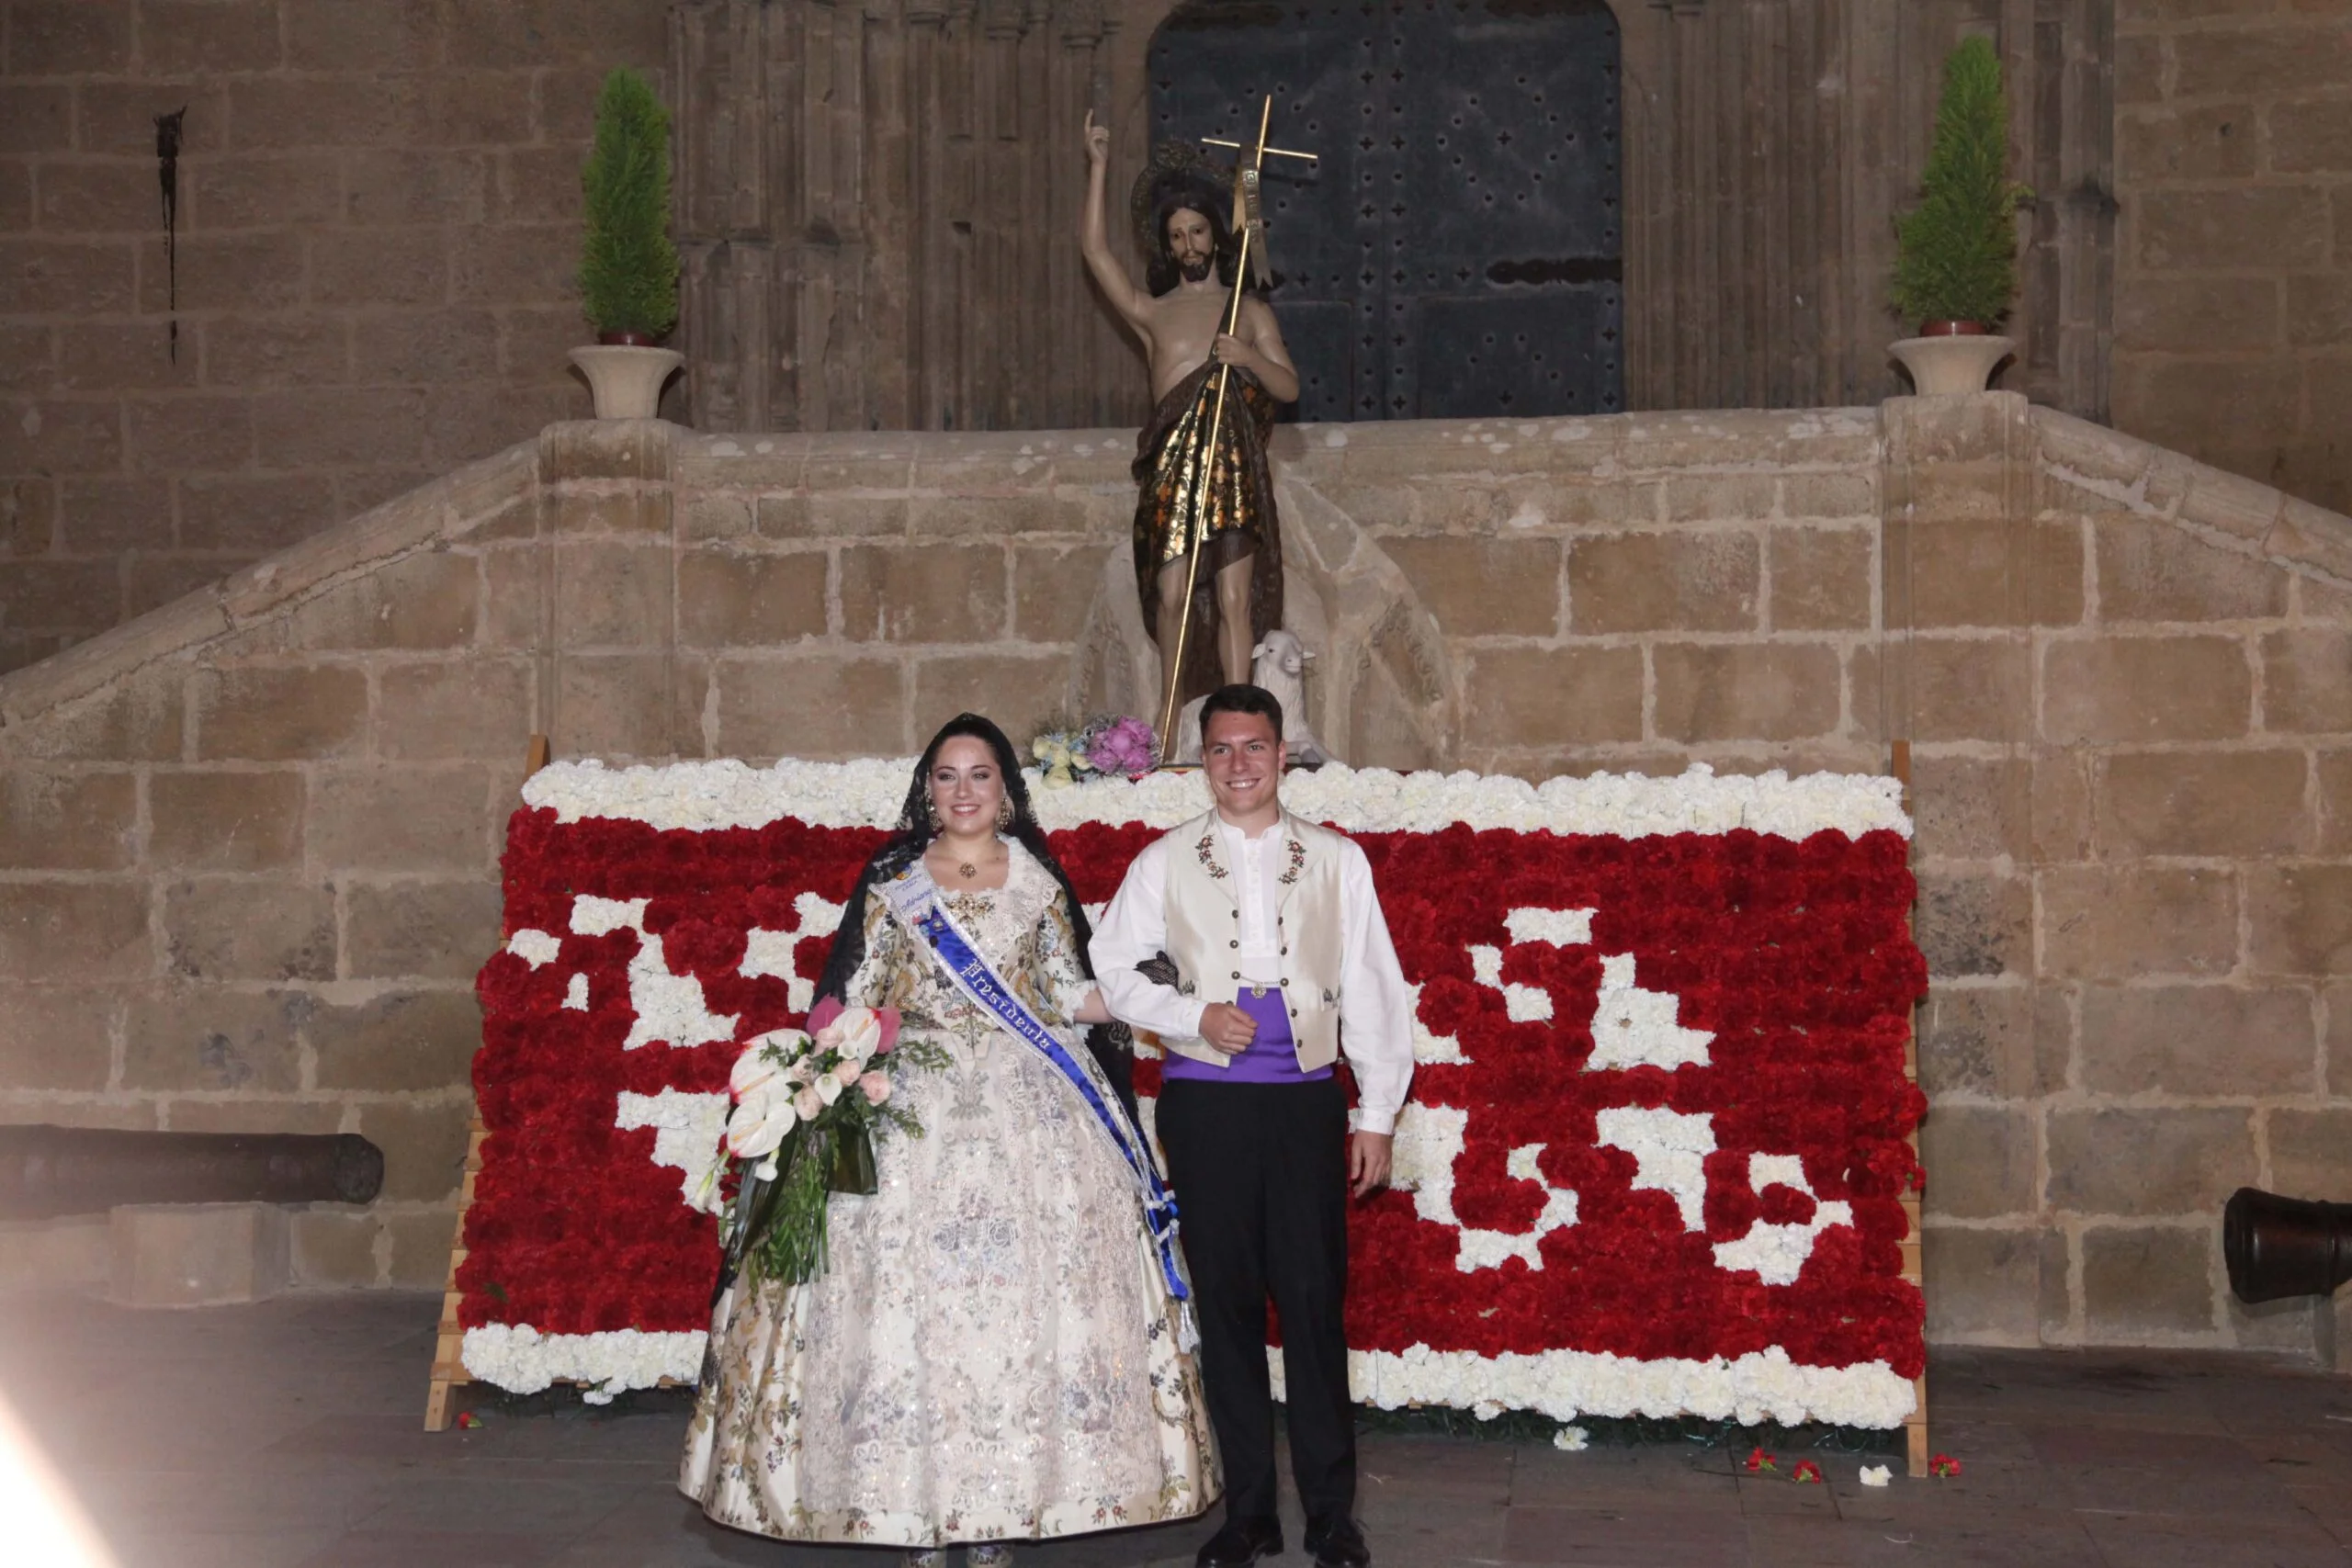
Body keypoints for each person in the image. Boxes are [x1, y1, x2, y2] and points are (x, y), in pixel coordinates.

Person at [681, 714, 1217, 1561]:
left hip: (1032, 1099)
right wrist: (830, 1070)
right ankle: (905, 1505)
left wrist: (1157, 996)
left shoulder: (1039, 882)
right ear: (926, 791)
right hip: (912, 1101)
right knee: (902, 1307)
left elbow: (1065, 991)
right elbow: (853, 994)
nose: (963, 790)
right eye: (947, 775)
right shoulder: (894, 883)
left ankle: (1004, 1504)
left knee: (1021, 1305)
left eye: (980, 775)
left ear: (1007, 792)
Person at [1089, 685, 1414, 1568]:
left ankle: (1332, 1514)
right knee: (1226, 1309)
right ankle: (1249, 1514)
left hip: (1306, 1100)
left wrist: (1375, 1111)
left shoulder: (1339, 859)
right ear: (1203, 760)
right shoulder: (1163, 860)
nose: (1240, 763)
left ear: (1282, 754)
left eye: (1255, 746)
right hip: (1207, 1105)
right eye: (1223, 748)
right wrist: (1194, 1014)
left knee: (1312, 1308)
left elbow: (1374, 985)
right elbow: (1110, 971)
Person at [1080, 111, 1300, 731]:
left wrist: (1247, 357)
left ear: (1216, 235)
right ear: (1166, 244)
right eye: (1176, 236)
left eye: (1198, 232)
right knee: (1172, 596)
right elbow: (1096, 253)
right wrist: (1097, 167)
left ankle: (1238, 720)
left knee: (1234, 599)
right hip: (1174, 467)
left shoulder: (1248, 311)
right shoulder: (1155, 313)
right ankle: (1171, 715)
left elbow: (1289, 385)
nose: (1189, 247)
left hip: (1230, 467)